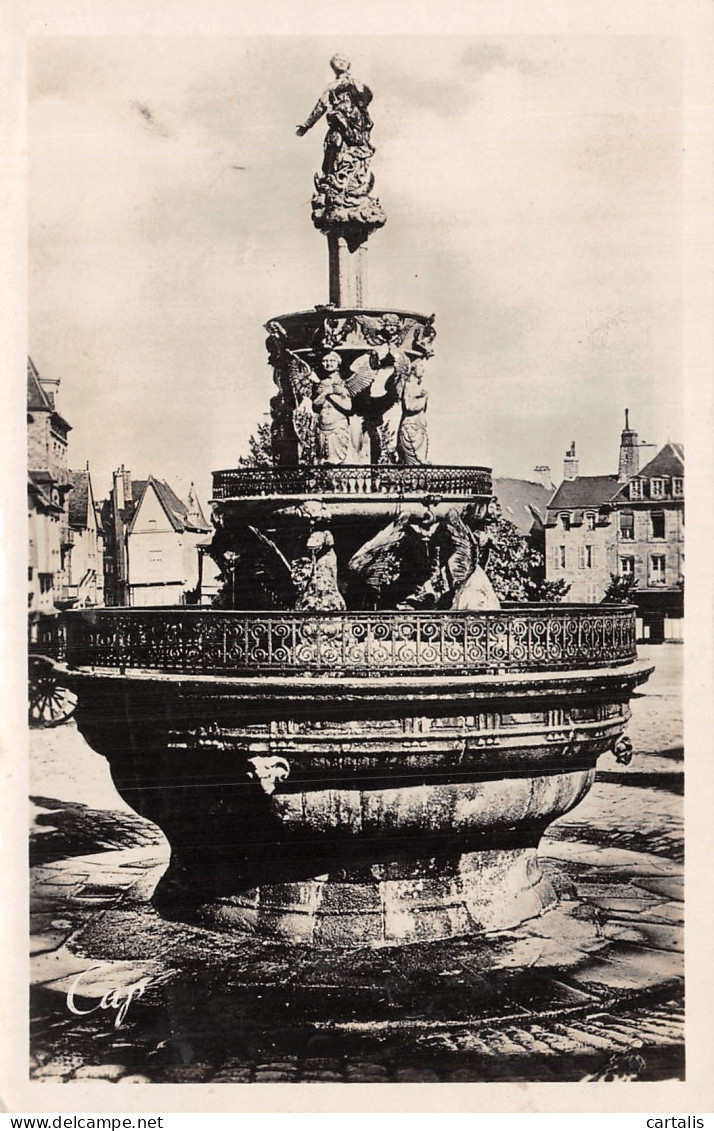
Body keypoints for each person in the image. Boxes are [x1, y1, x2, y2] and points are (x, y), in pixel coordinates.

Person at [296, 54, 374, 177]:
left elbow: (367, 96)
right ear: (333, 65)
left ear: (348, 65)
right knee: (334, 143)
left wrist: (356, 94)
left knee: (355, 149)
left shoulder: (356, 83)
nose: (341, 62)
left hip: (355, 120)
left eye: (344, 60)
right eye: (338, 60)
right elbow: (322, 105)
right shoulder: (331, 86)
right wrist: (307, 124)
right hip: (338, 121)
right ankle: (332, 176)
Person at [311, 352, 352, 464]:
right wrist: (325, 393)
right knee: (323, 459)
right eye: (325, 361)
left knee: (337, 460)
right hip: (322, 425)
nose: (328, 364)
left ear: (338, 363)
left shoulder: (342, 383)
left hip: (337, 426)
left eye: (332, 360)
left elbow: (348, 406)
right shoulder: (321, 384)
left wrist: (330, 395)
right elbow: (315, 405)